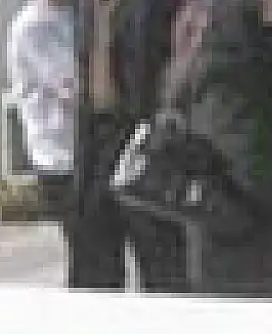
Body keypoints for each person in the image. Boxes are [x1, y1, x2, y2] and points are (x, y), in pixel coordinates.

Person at [157, 0, 272, 297]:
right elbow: (259, 169)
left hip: (255, 252)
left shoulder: (252, 63)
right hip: (243, 258)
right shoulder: (230, 73)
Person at [72, 0, 186, 292]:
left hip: (146, 138)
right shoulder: (86, 9)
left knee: (163, 266)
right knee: (93, 269)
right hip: (97, 142)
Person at [8, 0, 78, 222]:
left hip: (82, 149)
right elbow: (68, 85)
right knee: (83, 233)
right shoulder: (34, 25)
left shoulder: (71, 15)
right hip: (57, 153)